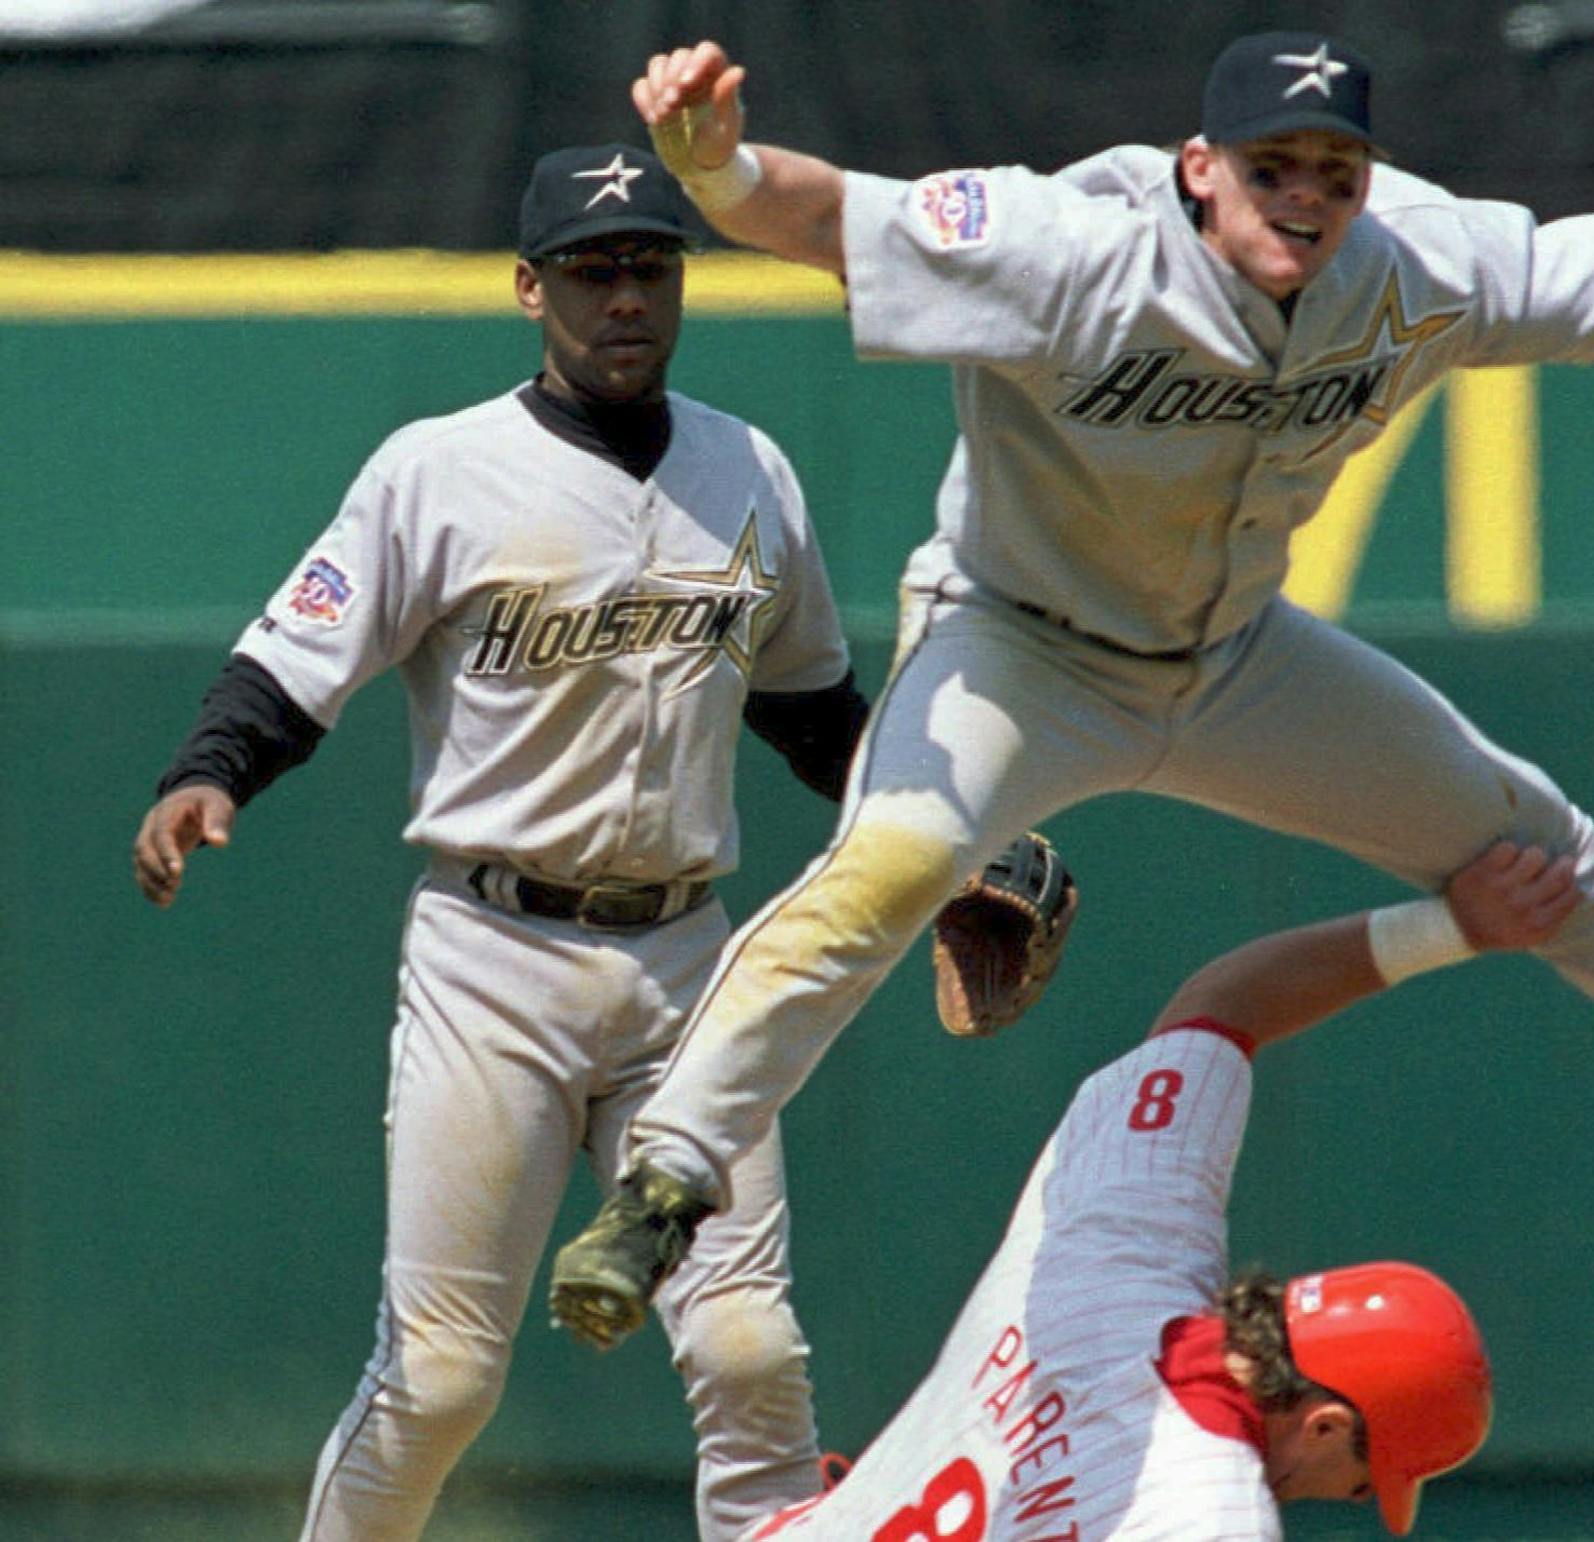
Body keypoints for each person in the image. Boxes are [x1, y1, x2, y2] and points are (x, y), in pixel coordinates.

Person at [548, 30, 1594, 1347]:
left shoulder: (1410, 258)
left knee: (1531, 834)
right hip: (1019, 642)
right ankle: (668, 1179)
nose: (1304, 194)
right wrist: (714, 162)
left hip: (1237, 651)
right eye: (1271, 166)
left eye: (1333, 166)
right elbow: (822, 215)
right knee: (892, 866)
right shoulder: (1067, 245)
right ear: (1199, 168)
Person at [130, 143, 1037, 1541]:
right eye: (593, 269)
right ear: (529, 287)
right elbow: (292, 660)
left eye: (651, 266)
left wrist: (946, 842)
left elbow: (816, 718)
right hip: (494, 957)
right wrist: (209, 772)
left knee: (749, 1354)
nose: (626, 297)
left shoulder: (751, 466)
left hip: (688, 961)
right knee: (437, 1381)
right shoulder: (438, 469)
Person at [742, 843, 1580, 1540]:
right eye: (1364, 1482)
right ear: (1325, 1423)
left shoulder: (1125, 1236)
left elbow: (1225, 1003)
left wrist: (1453, 925)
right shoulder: (1210, 1511)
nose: (1355, 1499)